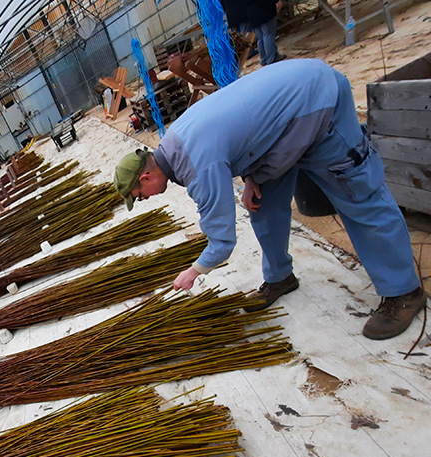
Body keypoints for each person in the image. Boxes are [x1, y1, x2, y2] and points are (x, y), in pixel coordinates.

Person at [113, 58, 425, 340]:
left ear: (146, 178)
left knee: (358, 194)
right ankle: (280, 277)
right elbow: (242, 137)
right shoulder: (173, 144)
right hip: (281, 126)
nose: (145, 199)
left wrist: (193, 272)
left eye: (140, 196)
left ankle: (403, 292)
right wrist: (252, 179)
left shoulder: (196, 165)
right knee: (262, 205)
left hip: (315, 104)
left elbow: (222, 241)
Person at [222, 0, 286, 66]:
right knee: (267, 35)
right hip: (260, 10)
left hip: (247, 14)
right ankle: (271, 57)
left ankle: (264, 58)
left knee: (260, 37)